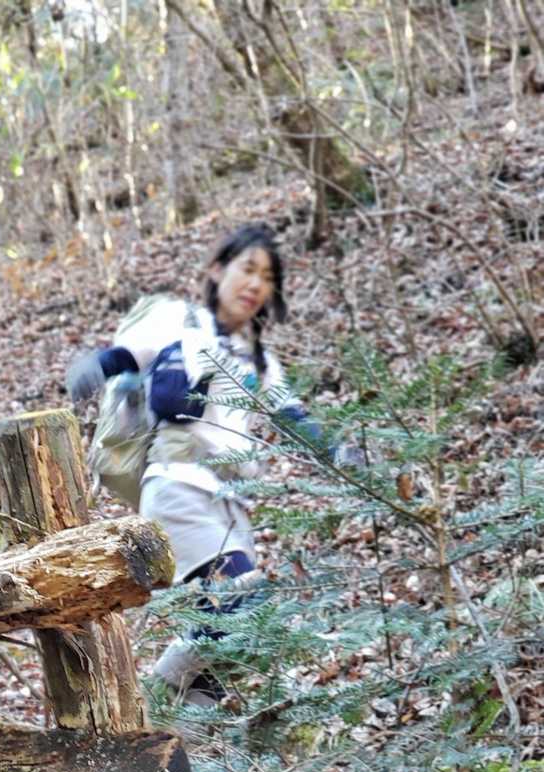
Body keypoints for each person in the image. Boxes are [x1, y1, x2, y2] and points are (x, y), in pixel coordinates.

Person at [66, 222, 361, 700]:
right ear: (218, 270)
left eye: (267, 278)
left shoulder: (258, 359)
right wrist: (92, 369)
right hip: (178, 486)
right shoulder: (180, 322)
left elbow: (292, 417)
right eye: (248, 269)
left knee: (226, 654)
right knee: (242, 600)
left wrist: (341, 454)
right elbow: (125, 357)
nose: (255, 285)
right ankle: (149, 700)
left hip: (232, 503)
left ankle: (183, 736)